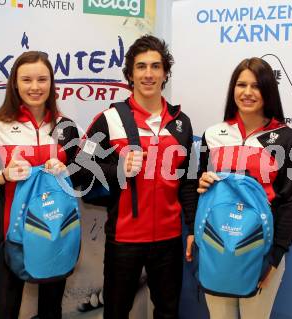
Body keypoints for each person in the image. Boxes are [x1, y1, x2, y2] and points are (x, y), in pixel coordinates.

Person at [77, 35, 198, 319]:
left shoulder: (181, 124)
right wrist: (117, 168)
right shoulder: (109, 119)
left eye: (155, 66)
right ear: (130, 74)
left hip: (169, 239)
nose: (148, 74)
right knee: (116, 312)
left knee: (168, 312)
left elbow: (189, 182)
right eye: (141, 66)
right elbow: (80, 167)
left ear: (165, 73)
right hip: (124, 240)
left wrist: (191, 227)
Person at [0, 51, 81, 319]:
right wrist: (3, 175)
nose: (35, 87)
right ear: (15, 84)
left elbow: (84, 177)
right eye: (27, 79)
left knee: (51, 311)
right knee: (6, 311)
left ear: (51, 84)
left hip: (56, 232)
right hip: (12, 235)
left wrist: (67, 171)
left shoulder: (66, 127)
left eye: (42, 79)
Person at [197, 57, 292, 319]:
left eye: (256, 86)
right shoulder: (212, 134)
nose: (247, 92)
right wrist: (202, 183)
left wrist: (275, 255)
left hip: (261, 251)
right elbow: (195, 183)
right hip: (216, 244)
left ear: (268, 90)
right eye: (241, 84)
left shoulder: (288, 138)